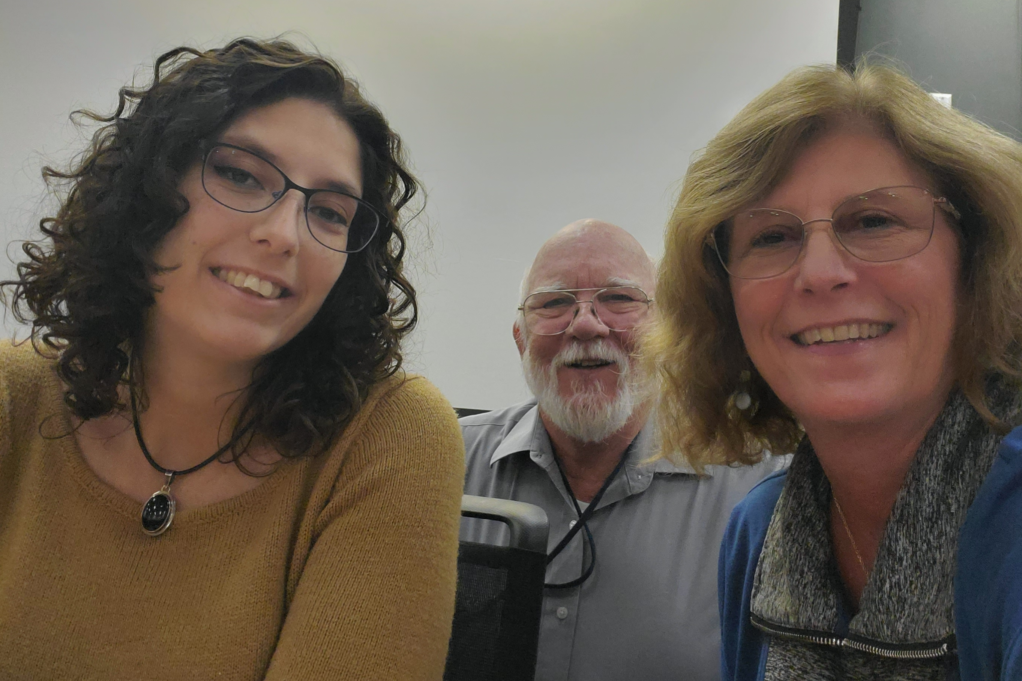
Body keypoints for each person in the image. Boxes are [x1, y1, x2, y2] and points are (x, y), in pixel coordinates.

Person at [0, 39, 464, 679]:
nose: (284, 234)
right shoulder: (12, 395)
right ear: (149, 189)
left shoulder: (390, 435)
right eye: (241, 175)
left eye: (329, 212)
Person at [648, 62, 1022, 680]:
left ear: (976, 258)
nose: (821, 272)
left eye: (874, 221)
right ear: (724, 299)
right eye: (770, 236)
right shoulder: (759, 532)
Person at [461, 219, 785, 681]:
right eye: (553, 303)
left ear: (665, 332)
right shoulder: (443, 464)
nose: (587, 324)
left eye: (619, 299)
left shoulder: (761, 485)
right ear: (520, 340)